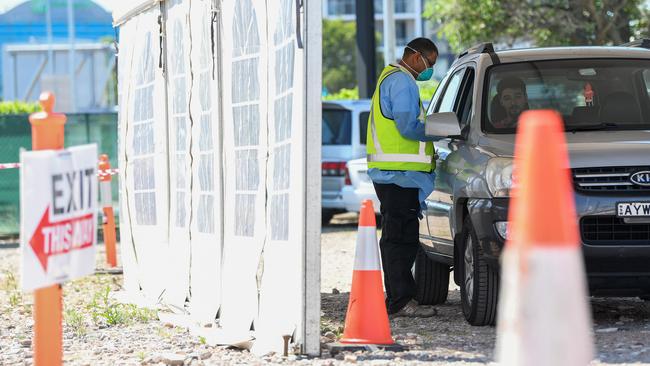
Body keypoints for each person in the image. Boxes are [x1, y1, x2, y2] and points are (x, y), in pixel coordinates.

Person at [366, 38, 440, 318]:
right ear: (414, 56)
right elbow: (408, 126)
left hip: (395, 174)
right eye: (429, 63)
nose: (430, 69)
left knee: (399, 236)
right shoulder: (402, 82)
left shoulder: (391, 77)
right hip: (398, 175)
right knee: (400, 238)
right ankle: (399, 301)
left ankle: (399, 298)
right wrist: (439, 129)